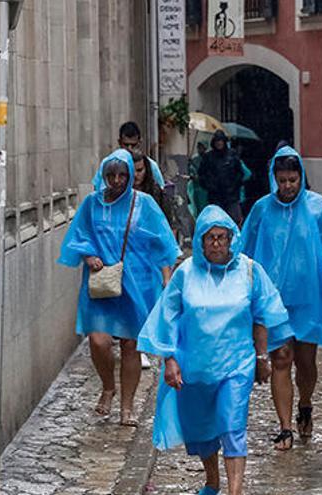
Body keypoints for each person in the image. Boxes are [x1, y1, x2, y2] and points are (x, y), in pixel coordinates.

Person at [138, 205, 291, 495]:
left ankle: (235, 491)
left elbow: (261, 316)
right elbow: (166, 317)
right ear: (201, 241)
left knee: (232, 425)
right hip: (195, 367)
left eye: (222, 237)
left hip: (236, 365)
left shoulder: (248, 270)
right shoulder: (186, 274)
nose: (217, 243)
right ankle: (212, 480)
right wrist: (169, 360)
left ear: (232, 238)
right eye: (211, 238)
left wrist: (261, 357)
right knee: (203, 428)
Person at [241, 146, 322, 450]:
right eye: (281, 180)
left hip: (309, 297)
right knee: (281, 357)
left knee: (306, 361)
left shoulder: (319, 209)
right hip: (273, 301)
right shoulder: (261, 210)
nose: (287, 187)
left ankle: (305, 404)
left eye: (292, 180)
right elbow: (247, 254)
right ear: (274, 179)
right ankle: (284, 428)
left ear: (301, 177)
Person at [59, 149, 180, 427]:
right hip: (101, 283)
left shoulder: (144, 204)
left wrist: (166, 275)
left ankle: (127, 407)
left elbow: (163, 242)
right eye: (110, 175)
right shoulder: (92, 204)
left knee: (130, 345)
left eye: (122, 175)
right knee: (98, 341)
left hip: (138, 282)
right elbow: (79, 235)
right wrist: (89, 256)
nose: (116, 181)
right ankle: (107, 386)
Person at [199, 130, 244, 225]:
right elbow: (202, 175)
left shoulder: (232, 155)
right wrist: (210, 186)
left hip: (231, 197)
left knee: (233, 223)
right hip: (215, 197)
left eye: (221, 140)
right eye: (217, 141)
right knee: (216, 222)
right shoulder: (208, 157)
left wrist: (234, 187)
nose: (219, 143)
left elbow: (240, 174)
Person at [187, 142, 209, 218]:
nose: (200, 149)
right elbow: (191, 171)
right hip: (196, 187)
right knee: (196, 207)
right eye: (199, 147)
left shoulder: (208, 158)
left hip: (205, 188)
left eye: (202, 147)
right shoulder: (194, 159)